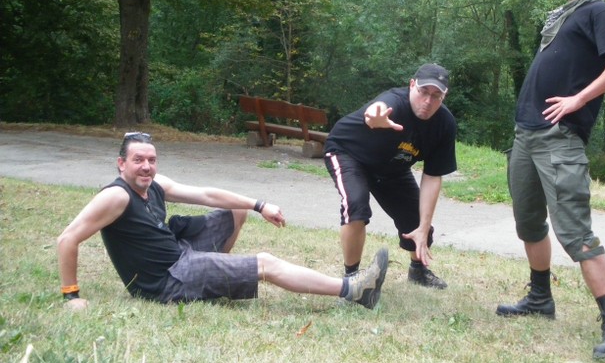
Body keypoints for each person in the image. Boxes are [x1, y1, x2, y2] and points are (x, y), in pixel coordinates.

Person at [496, 0, 605, 362]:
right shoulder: (565, 15)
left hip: (559, 139)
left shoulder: (598, 11)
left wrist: (579, 99)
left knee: (576, 233)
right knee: (528, 223)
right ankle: (540, 298)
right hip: (526, 136)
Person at [57, 132, 388, 310]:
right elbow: (67, 239)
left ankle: (217, 273)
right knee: (266, 263)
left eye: (151, 160)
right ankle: (353, 290)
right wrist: (72, 296)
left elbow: (206, 194)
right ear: (121, 164)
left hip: (179, 254)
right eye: (138, 160)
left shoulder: (153, 184)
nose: (146, 166)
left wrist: (258, 205)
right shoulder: (116, 196)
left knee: (234, 210)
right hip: (166, 281)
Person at [324, 63, 457, 290]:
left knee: (418, 221)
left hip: (393, 168)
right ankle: (352, 280)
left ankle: (418, 270)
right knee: (356, 206)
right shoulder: (394, 102)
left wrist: (424, 226)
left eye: (436, 96)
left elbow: (433, 176)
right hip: (348, 154)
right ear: (412, 85)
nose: (428, 101)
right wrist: (374, 117)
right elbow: (377, 109)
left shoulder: (444, 124)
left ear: (444, 96)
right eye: (423, 91)